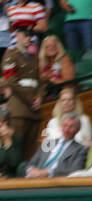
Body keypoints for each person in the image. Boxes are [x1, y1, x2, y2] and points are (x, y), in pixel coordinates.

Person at [1, 26, 43, 161]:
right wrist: (32, 99)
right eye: (25, 35)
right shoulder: (10, 55)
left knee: (31, 152)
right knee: (17, 150)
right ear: (18, 35)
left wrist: (40, 96)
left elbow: (40, 82)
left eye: (30, 36)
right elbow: (11, 81)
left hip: (34, 111)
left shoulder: (33, 58)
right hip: (19, 108)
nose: (28, 38)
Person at [24, 112, 89, 176]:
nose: (67, 129)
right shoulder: (48, 143)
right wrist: (30, 170)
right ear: (60, 126)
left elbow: (75, 170)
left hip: (57, 182)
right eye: (65, 125)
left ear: (78, 129)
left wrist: (48, 172)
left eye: (71, 127)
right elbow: (31, 163)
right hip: (34, 179)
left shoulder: (81, 149)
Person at [0, 109, 23, 178]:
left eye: (3, 122)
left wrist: (8, 141)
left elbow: (15, 163)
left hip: (10, 178)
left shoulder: (16, 139)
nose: (0, 124)